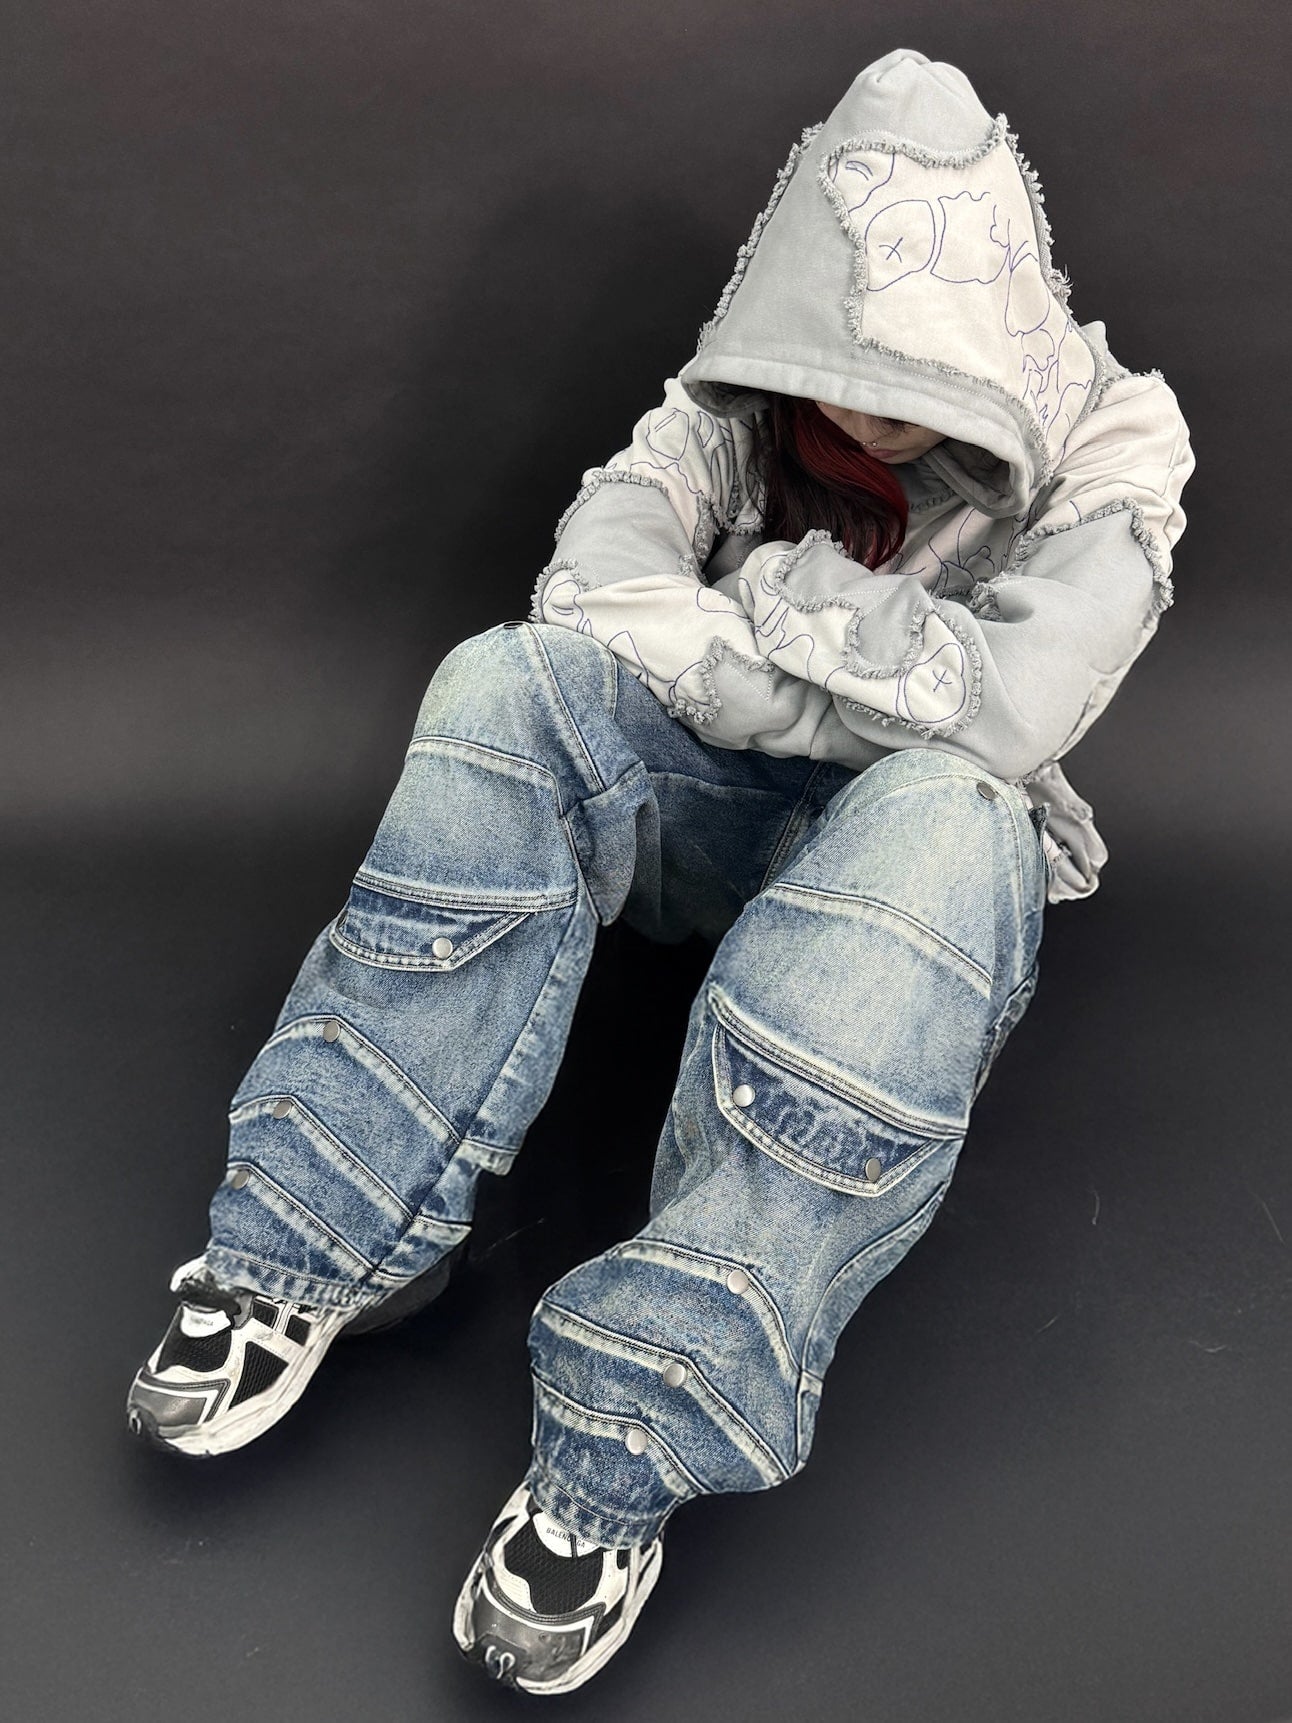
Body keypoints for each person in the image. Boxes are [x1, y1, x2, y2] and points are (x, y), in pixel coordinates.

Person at [125, 47, 1194, 1696]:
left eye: (904, 373)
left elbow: (1011, 715)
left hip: (913, 880)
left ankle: (631, 1430)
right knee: (507, 682)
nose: (861, 412)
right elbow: (592, 591)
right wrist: (849, 659)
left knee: (950, 812)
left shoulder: (1117, 432)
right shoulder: (739, 396)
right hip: (712, 813)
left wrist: (764, 607)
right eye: (839, 368)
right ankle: (311, 1238)